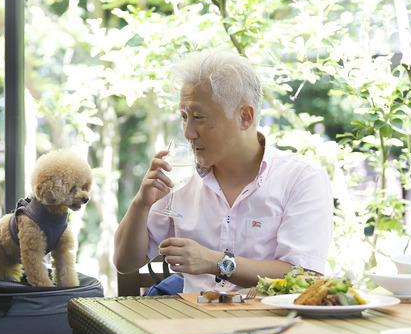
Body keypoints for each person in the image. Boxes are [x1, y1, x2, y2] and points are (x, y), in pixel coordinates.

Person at [113, 47, 333, 293]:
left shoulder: (301, 178)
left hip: (270, 323)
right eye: (184, 117)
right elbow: (125, 263)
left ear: (245, 118)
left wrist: (217, 262)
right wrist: (141, 203)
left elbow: (303, 276)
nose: (188, 133)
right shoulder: (180, 178)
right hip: (193, 322)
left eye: (199, 117)